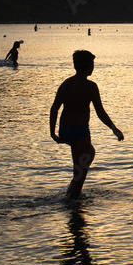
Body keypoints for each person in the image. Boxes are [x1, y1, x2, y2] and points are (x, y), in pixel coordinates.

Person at [50, 50, 124, 200]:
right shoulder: (90, 86)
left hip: (65, 131)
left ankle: (71, 191)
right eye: (92, 64)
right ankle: (73, 201)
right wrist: (114, 128)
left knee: (87, 156)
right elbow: (100, 112)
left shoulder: (66, 84)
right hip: (80, 133)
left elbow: (54, 108)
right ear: (88, 66)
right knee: (81, 171)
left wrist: (53, 133)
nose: (93, 67)